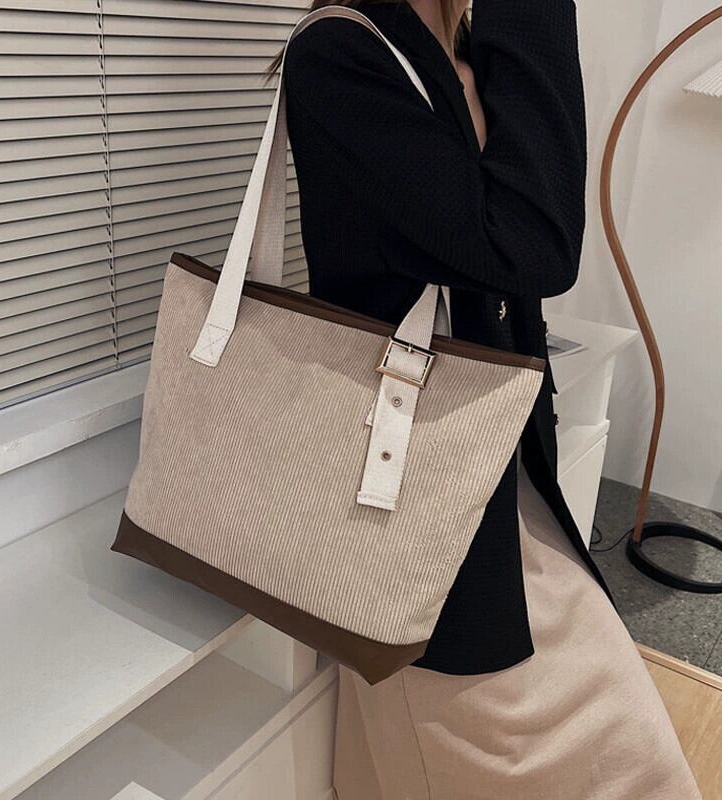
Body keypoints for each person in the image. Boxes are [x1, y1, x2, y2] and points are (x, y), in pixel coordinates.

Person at [273, 0, 704, 797]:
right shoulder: (340, 53)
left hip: (498, 481)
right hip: (417, 501)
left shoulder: (469, 47)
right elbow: (532, 244)